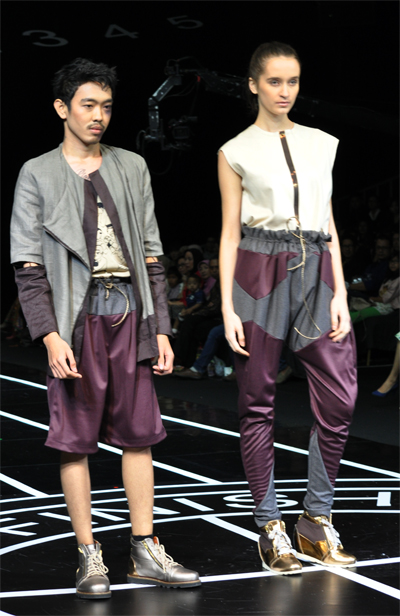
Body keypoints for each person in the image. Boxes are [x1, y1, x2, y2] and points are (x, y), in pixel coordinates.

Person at [10, 58, 200, 599]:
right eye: (88, 105)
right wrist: (49, 335)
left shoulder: (131, 166)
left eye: (107, 107)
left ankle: (144, 550)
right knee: (75, 441)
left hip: (130, 314)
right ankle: (88, 556)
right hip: (76, 320)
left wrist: (161, 327)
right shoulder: (37, 172)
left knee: (140, 435)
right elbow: (28, 266)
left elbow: (153, 254)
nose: (98, 116)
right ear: (62, 108)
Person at [218, 42, 357, 575]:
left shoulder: (322, 144)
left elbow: (329, 221)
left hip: (317, 268)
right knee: (257, 402)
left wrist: (340, 291)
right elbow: (230, 233)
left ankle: (315, 518)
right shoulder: (235, 151)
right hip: (258, 272)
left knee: (340, 398)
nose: (284, 91)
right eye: (274, 81)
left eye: (292, 81)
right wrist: (228, 306)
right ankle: (270, 525)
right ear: (253, 84)